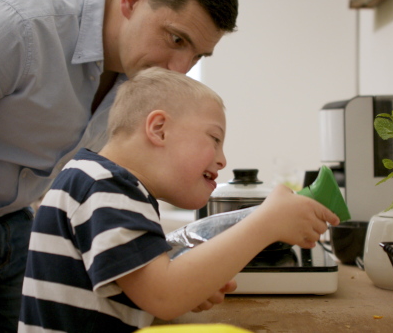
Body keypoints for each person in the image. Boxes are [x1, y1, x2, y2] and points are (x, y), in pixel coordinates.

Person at [0, 0, 238, 331]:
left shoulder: (138, 83)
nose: (180, 68)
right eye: (176, 39)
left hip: (18, 225)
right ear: (132, 0)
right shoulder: (11, 27)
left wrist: (168, 278)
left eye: (196, 56)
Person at [19, 67, 340, 332]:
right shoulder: (107, 187)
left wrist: (190, 286)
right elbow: (163, 296)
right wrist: (266, 223)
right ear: (159, 129)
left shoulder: (94, 178)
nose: (222, 159)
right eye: (214, 139)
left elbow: (141, 291)